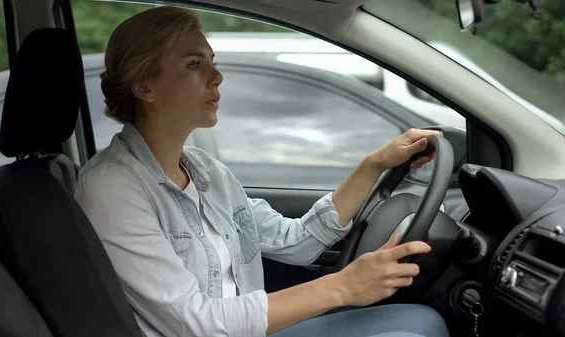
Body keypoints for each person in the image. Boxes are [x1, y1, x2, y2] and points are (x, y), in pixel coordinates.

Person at [74, 5, 450, 337]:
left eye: (211, 60)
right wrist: (343, 288)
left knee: (422, 320)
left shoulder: (205, 172)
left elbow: (297, 241)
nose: (216, 77)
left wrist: (376, 164)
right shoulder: (112, 187)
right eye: (194, 64)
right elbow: (195, 324)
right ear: (144, 87)